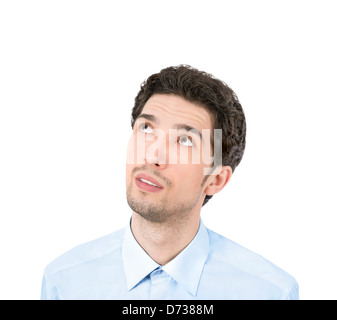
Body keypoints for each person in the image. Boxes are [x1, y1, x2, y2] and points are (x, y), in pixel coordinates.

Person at [41, 65, 299, 300]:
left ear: (216, 180)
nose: (153, 155)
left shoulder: (269, 292)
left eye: (184, 140)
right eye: (146, 129)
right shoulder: (64, 283)